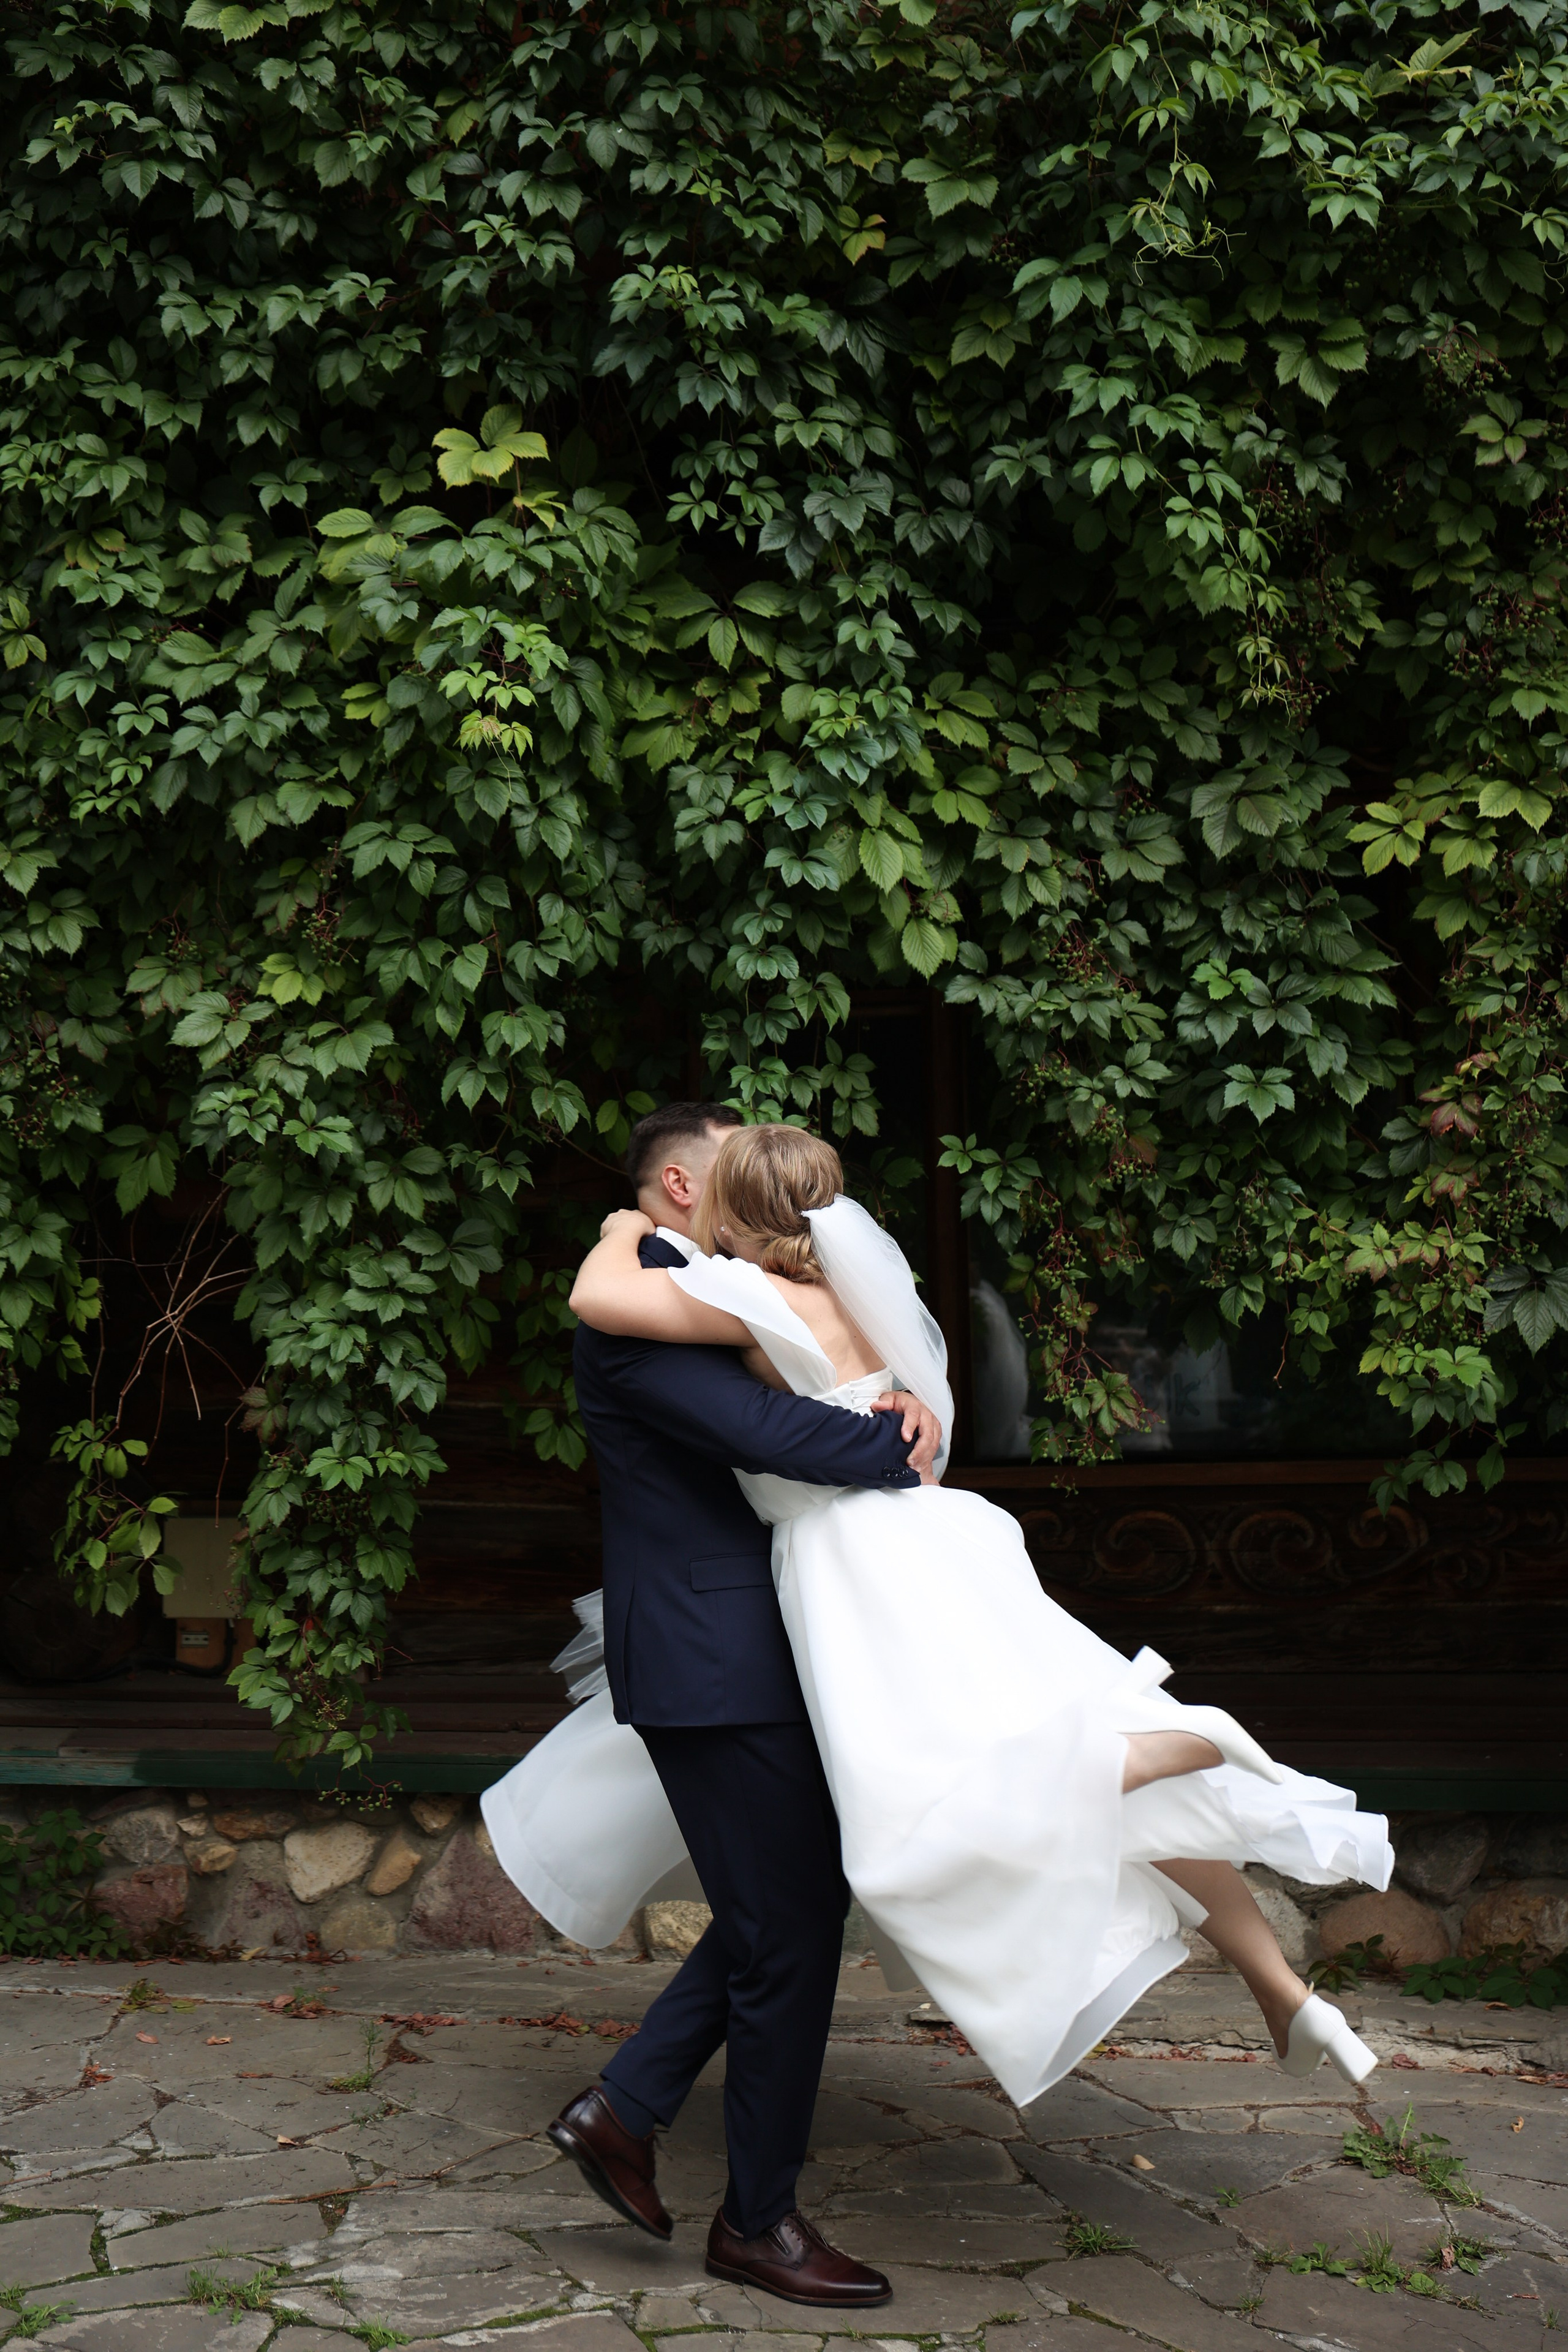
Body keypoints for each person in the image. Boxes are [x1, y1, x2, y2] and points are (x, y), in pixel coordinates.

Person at [549, 1121, 1393, 2103]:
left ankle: (1134, 1755)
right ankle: (1284, 1989)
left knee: (913, 1808)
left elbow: (597, 1298)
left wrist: (619, 1228)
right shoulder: (857, 1294)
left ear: (730, 1206)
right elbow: (920, 1415)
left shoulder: (747, 1297)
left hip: (850, 1561)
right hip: (940, 1537)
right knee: (1042, 1728)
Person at [499, 1104, 943, 2313]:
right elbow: (765, 1433)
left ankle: (626, 2110)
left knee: (785, 1911)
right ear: (685, 1182)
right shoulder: (642, 1301)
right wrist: (889, 1429)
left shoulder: (688, 1281)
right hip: (709, 1651)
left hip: (752, 1647)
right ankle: (756, 2221)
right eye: (738, 1155)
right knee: (788, 1928)